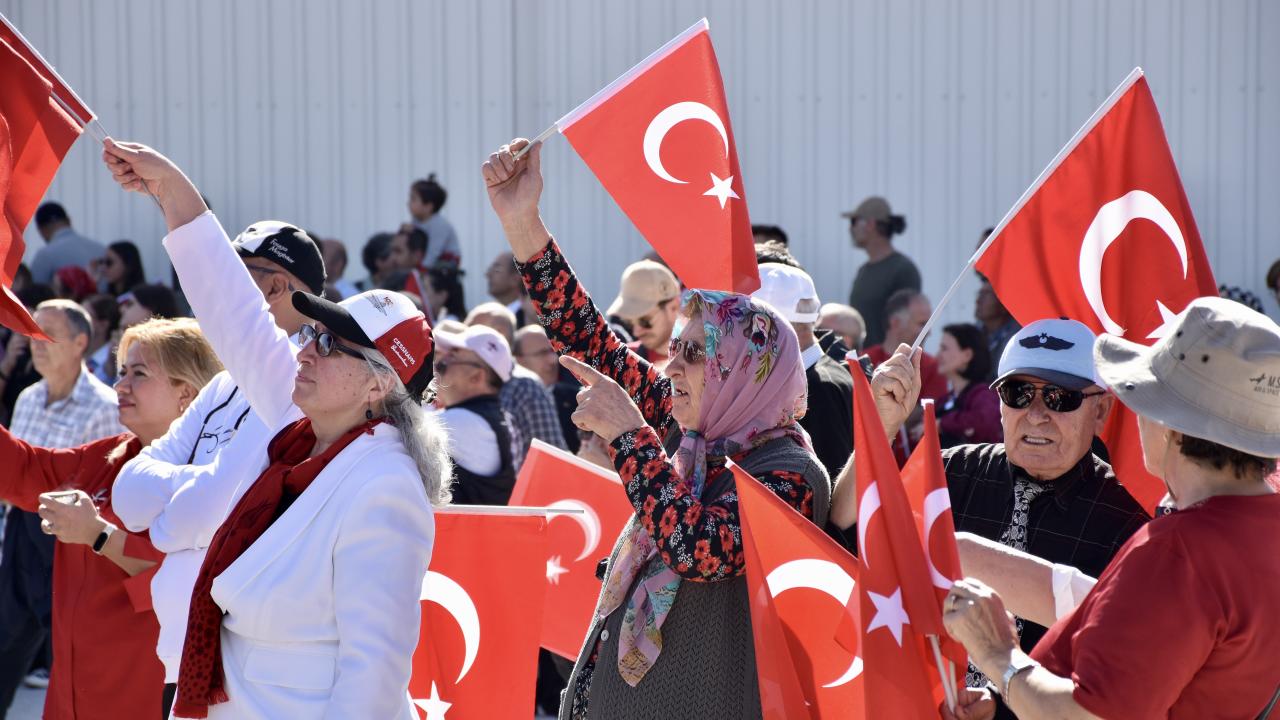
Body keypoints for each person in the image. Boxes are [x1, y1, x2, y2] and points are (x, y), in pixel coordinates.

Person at [102, 139, 449, 720]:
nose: (306, 351)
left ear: (379, 385)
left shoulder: (385, 487)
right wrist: (172, 192)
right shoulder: (299, 430)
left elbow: (373, 674)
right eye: (314, 335)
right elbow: (234, 313)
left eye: (331, 345)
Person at [484, 138, 830, 718]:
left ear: (742, 370)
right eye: (675, 350)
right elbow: (589, 342)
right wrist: (523, 224)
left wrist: (630, 438)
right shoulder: (691, 430)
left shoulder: (791, 475)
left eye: (694, 353)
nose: (671, 368)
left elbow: (701, 549)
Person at [941, 297, 1280, 720]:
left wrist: (998, 656)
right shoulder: (1254, 531)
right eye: (1018, 394)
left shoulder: (1178, 551)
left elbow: (1089, 715)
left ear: (1170, 426)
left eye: (1143, 398)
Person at [830, 317, 1150, 677]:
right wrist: (879, 425)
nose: (1036, 415)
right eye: (1018, 393)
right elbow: (848, 536)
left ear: (1101, 411)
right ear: (999, 403)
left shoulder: (1129, 522)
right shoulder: (950, 471)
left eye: (1060, 397)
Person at [110, 217, 325, 715]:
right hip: (182, 655)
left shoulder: (303, 382)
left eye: (231, 274)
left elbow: (214, 508)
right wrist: (197, 491)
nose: (209, 290)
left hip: (245, 663)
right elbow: (127, 494)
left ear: (276, 287)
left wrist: (174, 510)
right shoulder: (223, 385)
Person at [0, 316, 222, 720]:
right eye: (122, 373)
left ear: (187, 392)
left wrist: (99, 535)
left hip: (138, 699)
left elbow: (183, 581)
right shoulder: (110, 455)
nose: (120, 385)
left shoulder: (212, 474)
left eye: (139, 374)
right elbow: (23, 470)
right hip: (69, 697)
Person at [0, 300, 125, 714]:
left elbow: (109, 491)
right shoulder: (28, 397)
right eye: (31, 333)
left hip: (70, 542)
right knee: (4, 645)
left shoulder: (107, 407)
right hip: (20, 533)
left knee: (70, 653)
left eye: (47, 333)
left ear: (80, 342)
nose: (35, 343)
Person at [753, 262, 853, 480]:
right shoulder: (819, 377)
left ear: (770, 324)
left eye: (751, 327)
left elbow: (832, 483)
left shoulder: (820, 387)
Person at [466, 302, 570, 460]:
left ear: (497, 336)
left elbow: (550, 458)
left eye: (472, 335)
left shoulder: (526, 387)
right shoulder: (465, 381)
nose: (462, 344)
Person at [430, 322, 520, 503]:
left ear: (476, 376)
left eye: (449, 360)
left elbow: (388, 430)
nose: (437, 365)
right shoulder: (491, 417)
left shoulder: (464, 421)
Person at [843, 195, 919, 347]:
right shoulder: (863, 270)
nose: (851, 228)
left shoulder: (903, 270)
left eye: (854, 222)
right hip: (863, 358)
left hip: (888, 360)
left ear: (870, 224)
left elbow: (910, 324)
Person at [515, 324, 581, 453]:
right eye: (542, 353)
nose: (553, 360)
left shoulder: (578, 399)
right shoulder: (508, 403)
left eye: (552, 351)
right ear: (519, 360)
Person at [935, 323, 1001, 446]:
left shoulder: (985, 394)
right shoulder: (944, 400)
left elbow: (984, 422)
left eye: (944, 348)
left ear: (967, 355)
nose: (937, 355)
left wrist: (941, 424)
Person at [606, 260, 680, 370]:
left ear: (673, 307)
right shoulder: (623, 361)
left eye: (645, 321)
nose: (636, 331)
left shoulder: (703, 361)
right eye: (629, 323)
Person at [30, 202, 106, 285]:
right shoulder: (101, 249)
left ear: (41, 230)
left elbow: (34, 289)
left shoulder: (44, 255)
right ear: (69, 220)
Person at [408, 174, 461, 267]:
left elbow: (433, 253)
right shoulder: (416, 221)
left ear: (428, 206)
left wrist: (420, 270)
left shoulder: (439, 224)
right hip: (428, 260)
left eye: (413, 199)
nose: (408, 203)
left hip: (446, 262)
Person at [83, 294, 121, 384]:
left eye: (84, 316)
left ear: (103, 325)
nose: (76, 321)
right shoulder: (77, 355)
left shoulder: (113, 361)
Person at [486, 250, 528, 325]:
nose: (488, 274)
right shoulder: (487, 316)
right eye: (490, 269)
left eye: (497, 270)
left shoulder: (529, 318)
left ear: (515, 279)